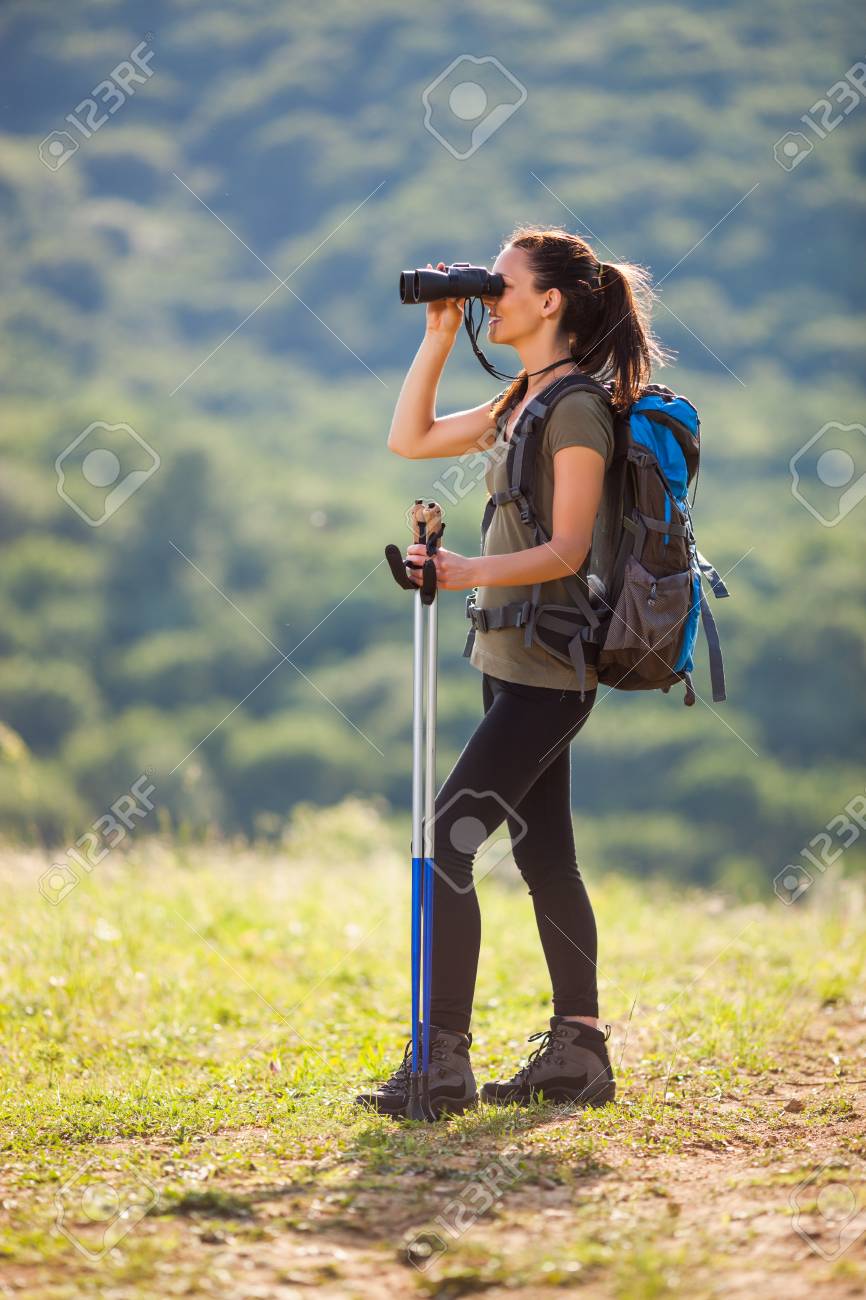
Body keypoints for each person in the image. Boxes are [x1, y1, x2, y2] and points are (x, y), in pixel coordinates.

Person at [355, 225, 668, 1118]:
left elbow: (569, 550)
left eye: (503, 284)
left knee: (449, 841)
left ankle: (440, 1064)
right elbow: (410, 438)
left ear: (550, 302)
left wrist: (461, 573)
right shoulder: (525, 399)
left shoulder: (575, 408)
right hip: (511, 660)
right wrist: (439, 338)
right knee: (546, 855)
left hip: (549, 670)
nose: (491, 293)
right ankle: (580, 1051)